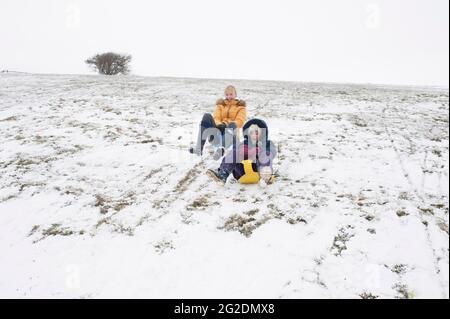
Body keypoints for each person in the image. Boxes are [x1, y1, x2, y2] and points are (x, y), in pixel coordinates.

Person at [207, 118, 277, 185]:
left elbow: (272, 151)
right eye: (251, 132)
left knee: (265, 154)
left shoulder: (267, 143)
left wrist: (260, 151)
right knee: (234, 152)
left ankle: (265, 174)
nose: (254, 134)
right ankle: (223, 174)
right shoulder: (244, 143)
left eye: (256, 132)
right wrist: (244, 151)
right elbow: (235, 150)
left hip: (258, 171)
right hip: (241, 171)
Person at [189, 85, 247, 159]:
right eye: (227, 94)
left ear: (235, 94)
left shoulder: (241, 107)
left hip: (230, 136)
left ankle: (221, 150)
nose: (229, 96)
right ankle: (199, 149)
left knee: (233, 124)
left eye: (231, 94)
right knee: (206, 116)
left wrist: (226, 124)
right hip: (217, 134)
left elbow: (240, 121)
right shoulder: (220, 105)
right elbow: (216, 117)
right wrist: (220, 124)